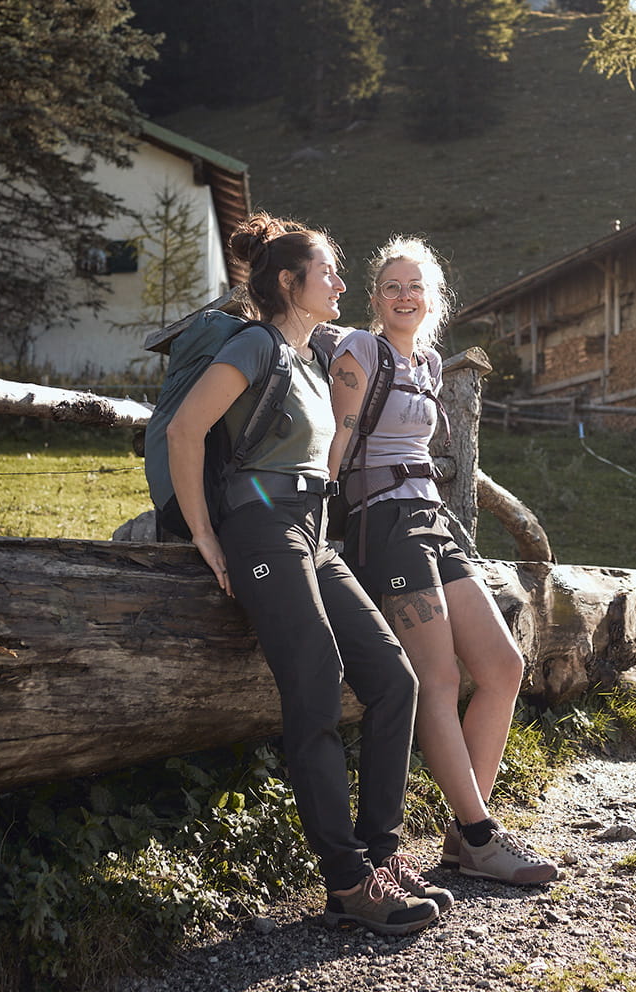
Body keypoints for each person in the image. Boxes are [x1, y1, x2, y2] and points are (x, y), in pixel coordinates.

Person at [165, 212, 452, 935]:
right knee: (317, 683)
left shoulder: (311, 357)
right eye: (327, 272)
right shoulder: (256, 344)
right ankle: (346, 879)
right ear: (290, 283)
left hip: (313, 529)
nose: (341, 284)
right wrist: (204, 531)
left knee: (394, 679)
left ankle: (380, 858)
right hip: (260, 524)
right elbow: (185, 429)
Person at [326, 235, 558, 886]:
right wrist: (312, 522)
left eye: (415, 286)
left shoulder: (428, 364)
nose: (404, 296)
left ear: (433, 299)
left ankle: (463, 835)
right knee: (438, 678)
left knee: (503, 665)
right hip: (383, 522)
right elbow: (338, 440)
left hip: (434, 519)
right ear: (376, 298)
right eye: (392, 286)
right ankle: (483, 836)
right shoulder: (359, 350)